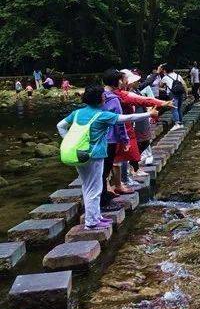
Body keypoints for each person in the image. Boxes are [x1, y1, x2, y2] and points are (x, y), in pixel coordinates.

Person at [57, 85, 156, 229]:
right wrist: (149, 114)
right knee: (95, 189)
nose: (105, 97)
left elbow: (60, 126)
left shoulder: (77, 113)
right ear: (98, 99)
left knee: (87, 187)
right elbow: (128, 117)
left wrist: (68, 141)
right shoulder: (102, 115)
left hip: (79, 154)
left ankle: (96, 217)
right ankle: (91, 222)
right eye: (103, 95)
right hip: (94, 156)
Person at [115, 69, 171, 180]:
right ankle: (132, 170)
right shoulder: (124, 95)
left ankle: (134, 168)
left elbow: (145, 98)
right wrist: (159, 104)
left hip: (139, 120)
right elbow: (143, 100)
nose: (137, 82)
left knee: (142, 143)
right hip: (133, 122)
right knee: (132, 147)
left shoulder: (134, 91)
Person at [101, 69, 129, 206]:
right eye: (119, 79)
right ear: (114, 81)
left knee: (100, 171)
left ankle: (103, 195)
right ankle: (103, 202)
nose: (121, 82)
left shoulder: (98, 96)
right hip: (110, 139)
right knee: (105, 170)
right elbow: (119, 122)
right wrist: (125, 140)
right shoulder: (114, 99)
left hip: (97, 138)